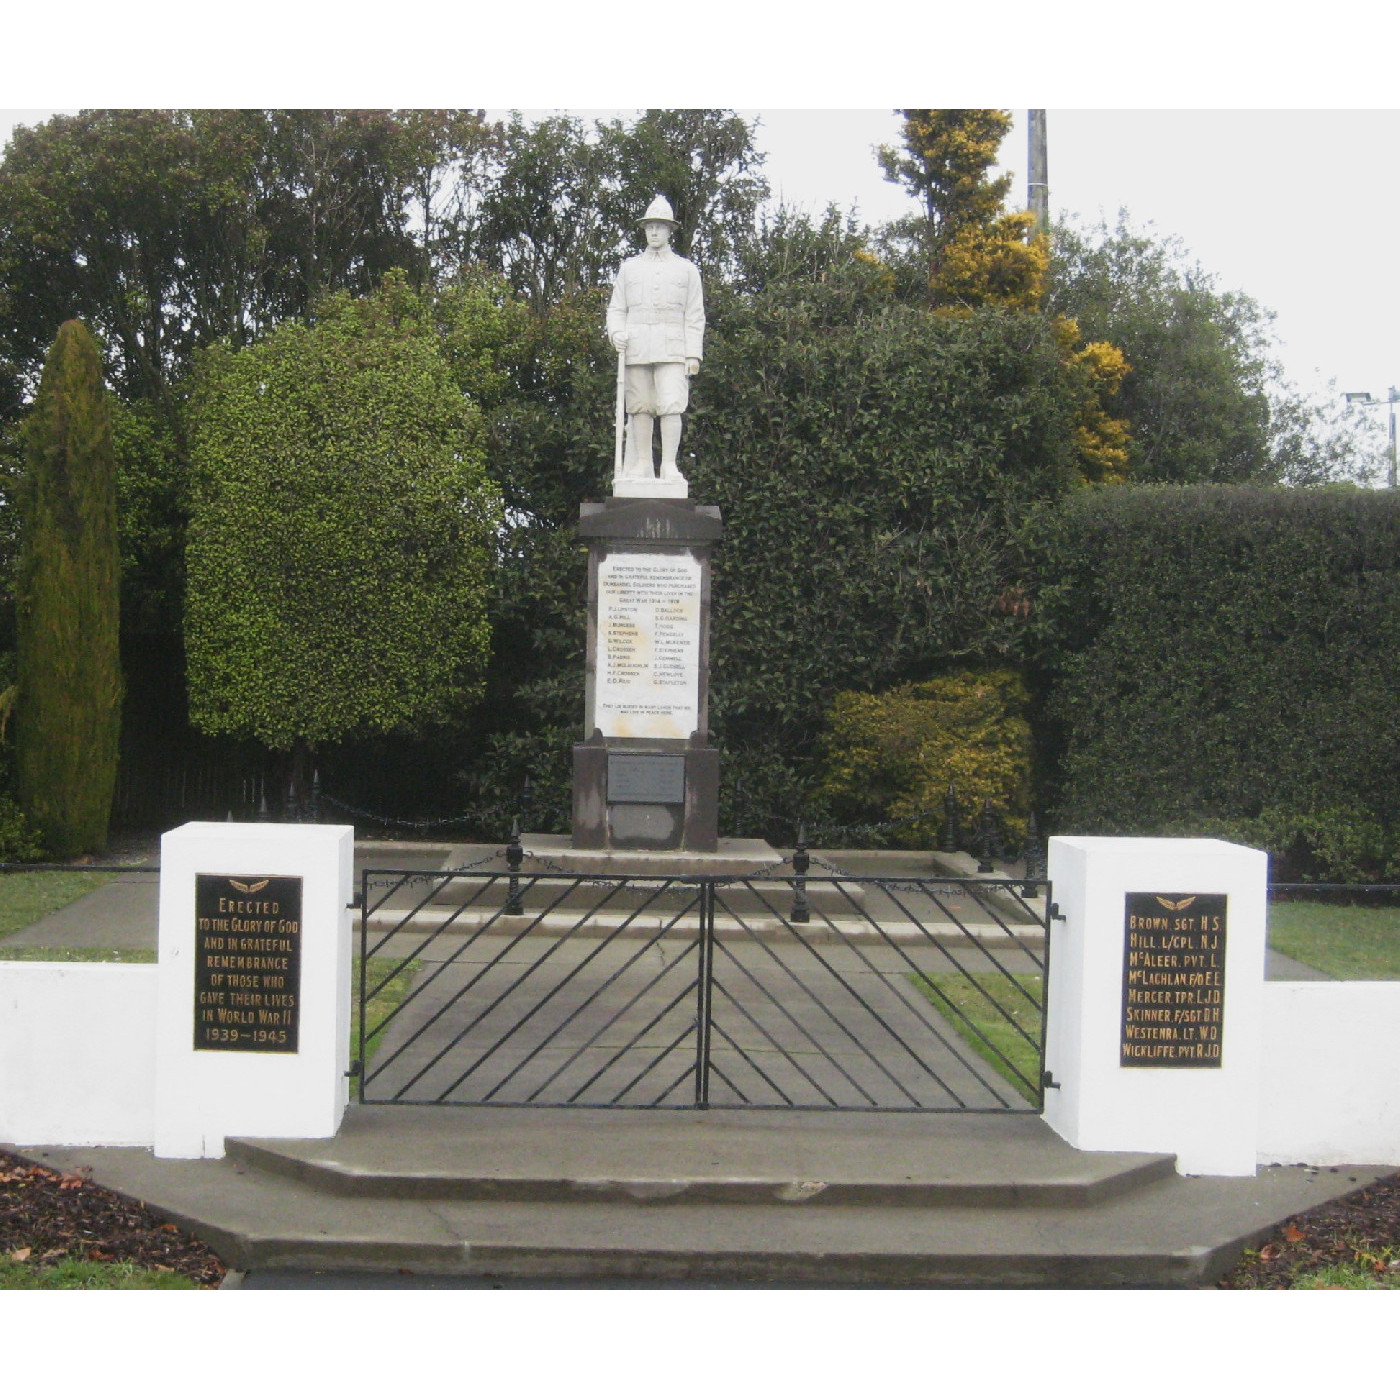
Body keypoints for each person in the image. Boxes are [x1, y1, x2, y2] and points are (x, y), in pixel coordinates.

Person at [606, 196, 705, 484]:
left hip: (674, 348)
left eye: (659, 227)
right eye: (650, 226)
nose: (654, 232)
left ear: (669, 230)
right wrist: (616, 332)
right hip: (636, 347)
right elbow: (616, 308)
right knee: (640, 406)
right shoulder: (630, 268)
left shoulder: (686, 269)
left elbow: (695, 314)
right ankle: (642, 465)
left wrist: (693, 355)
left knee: (672, 405)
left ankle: (670, 466)